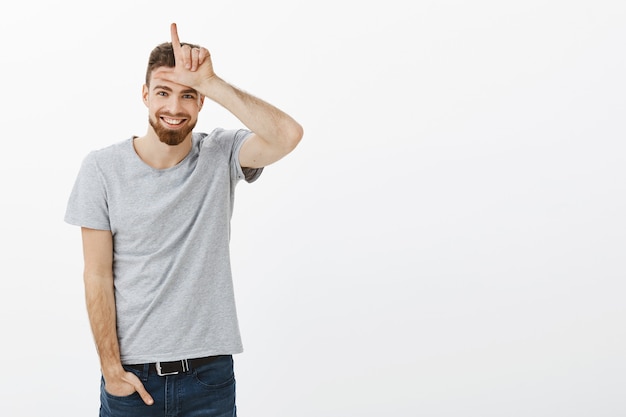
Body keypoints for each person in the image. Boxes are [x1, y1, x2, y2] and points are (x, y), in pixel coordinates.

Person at [64, 23, 303, 416]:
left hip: (208, 378)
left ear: (201, 102)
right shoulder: (102, 169)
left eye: (188, 95)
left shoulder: (222, 153)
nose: (174, 108)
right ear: (144, 95)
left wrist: (213, 81)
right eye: (163, 92)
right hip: (133, 379)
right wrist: (111, 369)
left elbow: (288, 136)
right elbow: (96, 275)